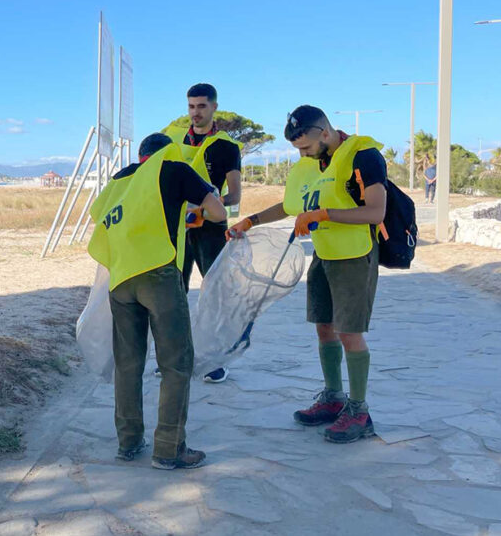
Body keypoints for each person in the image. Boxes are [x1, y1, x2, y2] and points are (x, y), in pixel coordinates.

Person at [227, 105, 387, 444]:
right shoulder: (307, 164)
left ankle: (359, 411)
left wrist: (324, 213)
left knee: (349, 333)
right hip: (324, 256)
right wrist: (250, 221)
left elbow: (375, 211)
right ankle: (333, 399)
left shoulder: (364, 155)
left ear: (325, 133)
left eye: (306, 147)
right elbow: (289, 206)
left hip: (355, 257)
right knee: (324, 328)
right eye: (297, 148)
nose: (302, 154)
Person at [88, 133, 226, 470]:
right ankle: (169, 448)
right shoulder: (175, 168)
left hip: (120, 280)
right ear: (167, 152)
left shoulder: (121, 180)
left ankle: (129, 441)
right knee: (176, 363)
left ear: (140, 156)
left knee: (128, 363)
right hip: (159, 275)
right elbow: (219, 211)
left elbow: (100, 218)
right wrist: (195, 216)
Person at [157, 83, 243, 384]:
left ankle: (217, 359)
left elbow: (235, 196)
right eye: (192, 106)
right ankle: (176, 356)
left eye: (202, 106)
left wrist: (209, 206)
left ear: (214, 107)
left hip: (211, 231)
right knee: (174, 292)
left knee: (215, 293)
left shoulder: (226, 146)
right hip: (177, 229)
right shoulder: (173, 139)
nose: (195, 112)